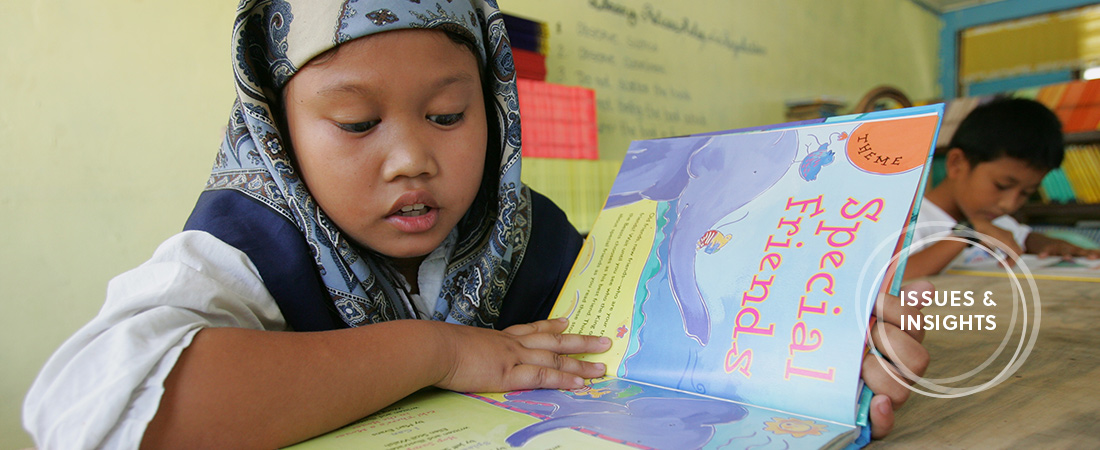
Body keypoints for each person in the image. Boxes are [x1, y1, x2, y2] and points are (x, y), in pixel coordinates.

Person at [23, 1, 930, 447]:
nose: (412, 158)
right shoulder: (242, 245)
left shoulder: (522, 231)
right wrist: (436, 351)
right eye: (356, 124)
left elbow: (655, 328)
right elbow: (86, 413)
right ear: (276, 130)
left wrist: (817, 341)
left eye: (449, 116)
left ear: (494, 112)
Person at [905, 97, 1100, 280]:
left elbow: (1024, 238)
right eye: (1002, 185)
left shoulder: (997, 220)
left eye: (1026, 193)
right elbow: (895, 279)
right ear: (957, 164)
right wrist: (966, 233)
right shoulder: (911, 219)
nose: (1009, 204)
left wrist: (1052, 246)